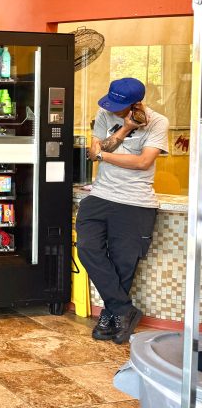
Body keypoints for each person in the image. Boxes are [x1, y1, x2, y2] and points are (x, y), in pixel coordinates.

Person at [76, 77, 168, 344]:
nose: (113, 109)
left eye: (120, 106)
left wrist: (103, 153)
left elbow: (143, 162)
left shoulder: (157, 122)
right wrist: (123, 130)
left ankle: (111, 314)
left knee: (123, 262)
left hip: (135, 202)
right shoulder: (105, 113)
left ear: (136, 103)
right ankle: (124, 309)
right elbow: (95, 152)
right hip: (100, 196)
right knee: (87, 248)